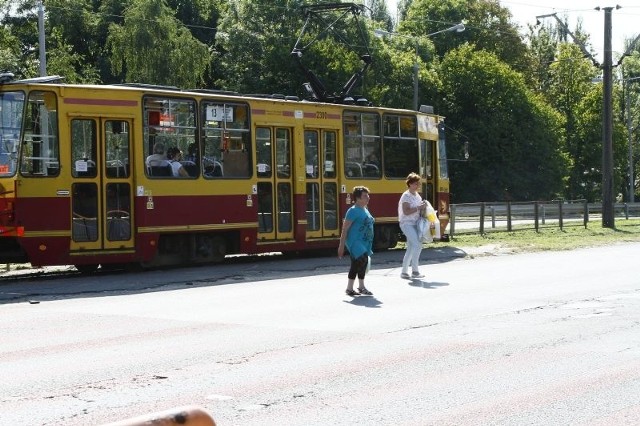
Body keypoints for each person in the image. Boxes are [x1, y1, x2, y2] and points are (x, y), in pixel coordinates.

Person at [338, 186, 375, 296]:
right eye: (365, 196)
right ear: (358, 198)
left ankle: (350, 288)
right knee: (363, 259)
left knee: (356, 263)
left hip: (364, 242)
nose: (368, 197)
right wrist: (341, 246)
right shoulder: (353, 210)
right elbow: (345, 229)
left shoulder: (365, 209)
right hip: (354, 241)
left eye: (368, 195)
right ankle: (361, 286)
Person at [398, 172, 427, 279]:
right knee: (418, 244)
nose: (418, 186)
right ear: (410, 184)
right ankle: (415, 271)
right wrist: (418, 208)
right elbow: (406, 211)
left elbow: (419, 209)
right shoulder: (406, 195)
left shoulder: (417, 196)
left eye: (418, 184)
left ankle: (404, 272)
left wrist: (424, 207)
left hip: (415, 223)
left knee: (411, 247)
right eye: (415, 184)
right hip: (406, 223)